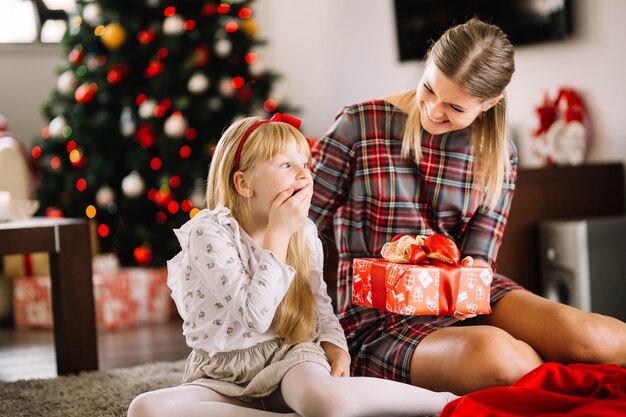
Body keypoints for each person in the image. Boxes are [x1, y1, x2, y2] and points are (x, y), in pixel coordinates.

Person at [309, 17, 626, 396]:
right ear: (427, 63)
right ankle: (552, 376)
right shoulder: (358, 126)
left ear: (489, 104)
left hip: (465, 297)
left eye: (455, 107)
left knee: (597, 339)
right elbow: (296, 227)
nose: (433, 111)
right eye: (429, 89)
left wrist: (467, 273)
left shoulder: (499, 153)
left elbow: (479, 261)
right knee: (502, 360)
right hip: (378, 319)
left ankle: (553, 371)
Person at [127, 114, 457, 417]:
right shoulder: (209, 232)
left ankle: (444, 402)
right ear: (244, 184)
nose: (303, 174)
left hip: (290, 359)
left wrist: (335, 347)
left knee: (328, 401)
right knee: (146, 409)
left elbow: (319, 306)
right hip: (221, 373)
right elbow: (255, 316)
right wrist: (278, 232)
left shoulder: (304, 232)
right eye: (286, 165)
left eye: (305, 164)